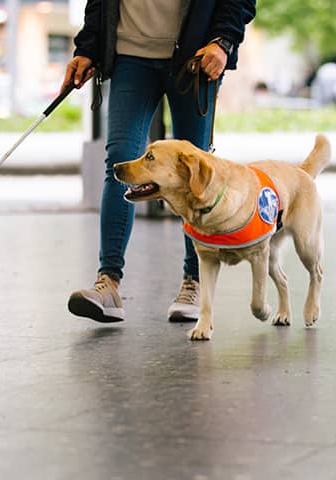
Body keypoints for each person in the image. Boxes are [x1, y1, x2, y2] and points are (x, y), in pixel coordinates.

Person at [63, 0, 256, 324]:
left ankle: (195, 282)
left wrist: (223, 41)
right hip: (130, 57)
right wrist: (88, 48)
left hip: (195, 55)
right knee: (122, 162)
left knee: (197, 172)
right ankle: (108, 282)